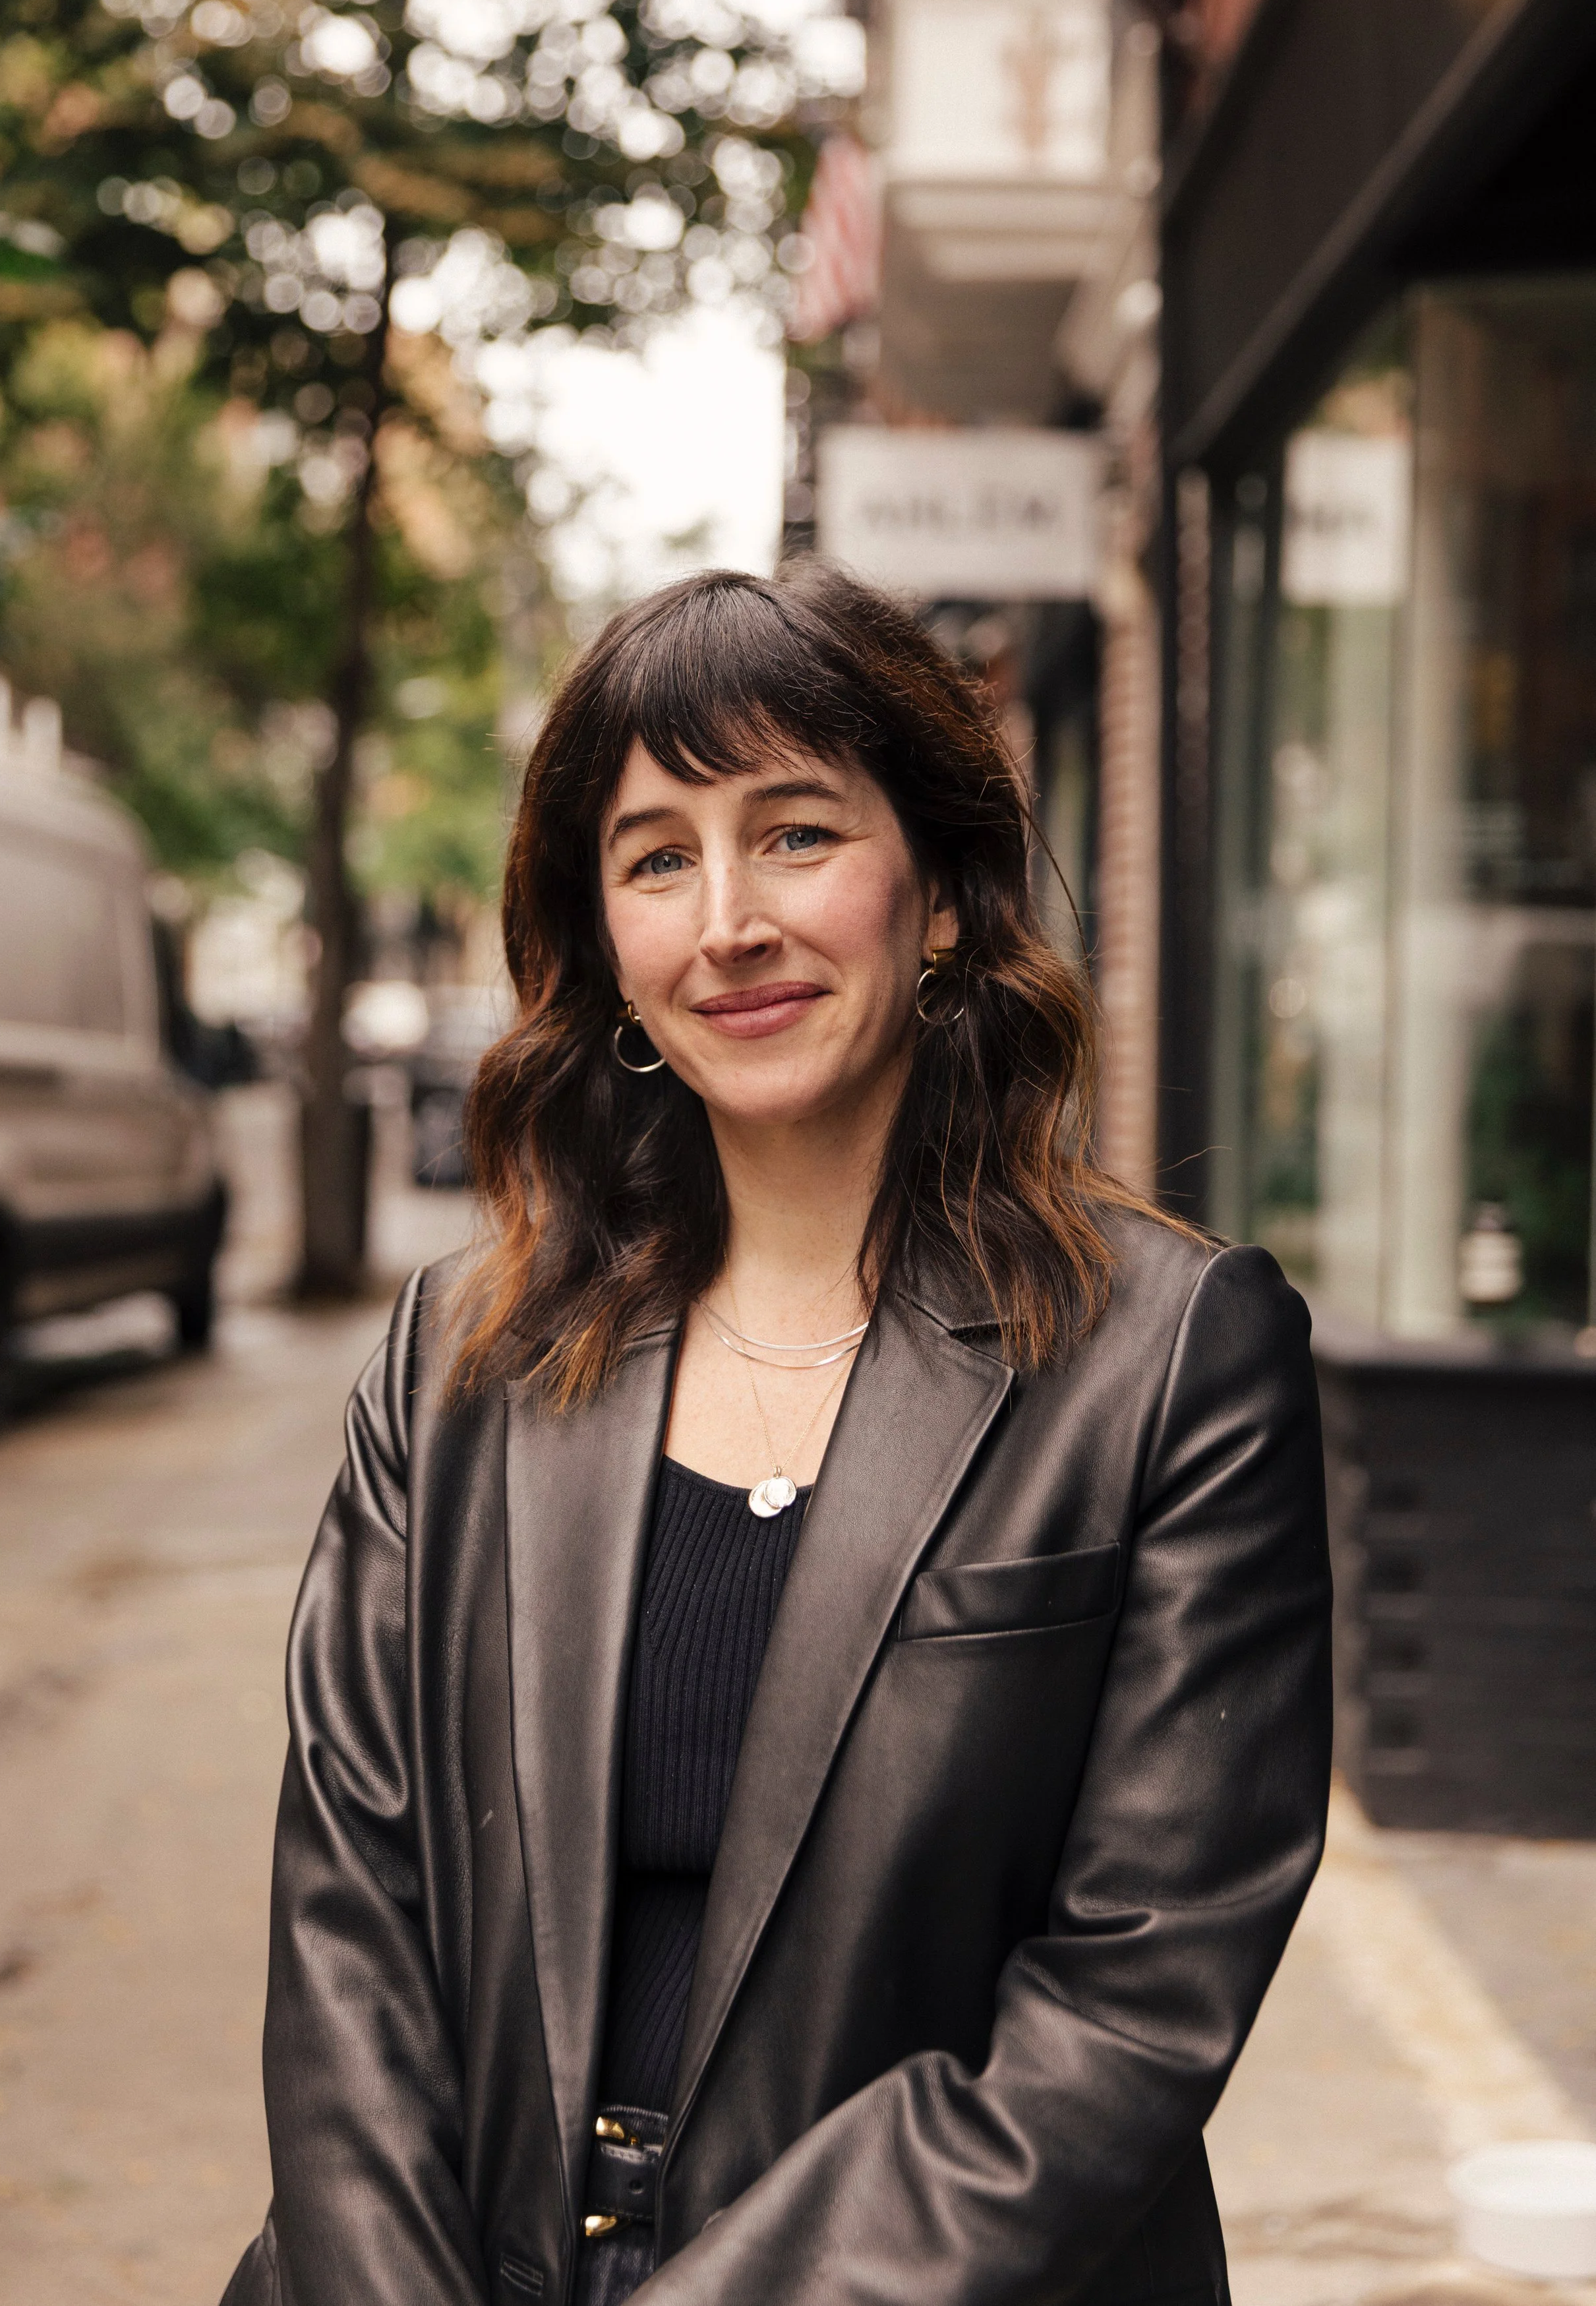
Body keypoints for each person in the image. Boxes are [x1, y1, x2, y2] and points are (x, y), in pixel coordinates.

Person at [222, 562, 1331, 2306]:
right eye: (657, 858)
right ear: (606, 945)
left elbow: (1131, 1997)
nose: (727, 920)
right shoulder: (459, 1358)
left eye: (795, 833)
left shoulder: (1169, 1357)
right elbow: (349, 1914)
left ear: (940, 893)